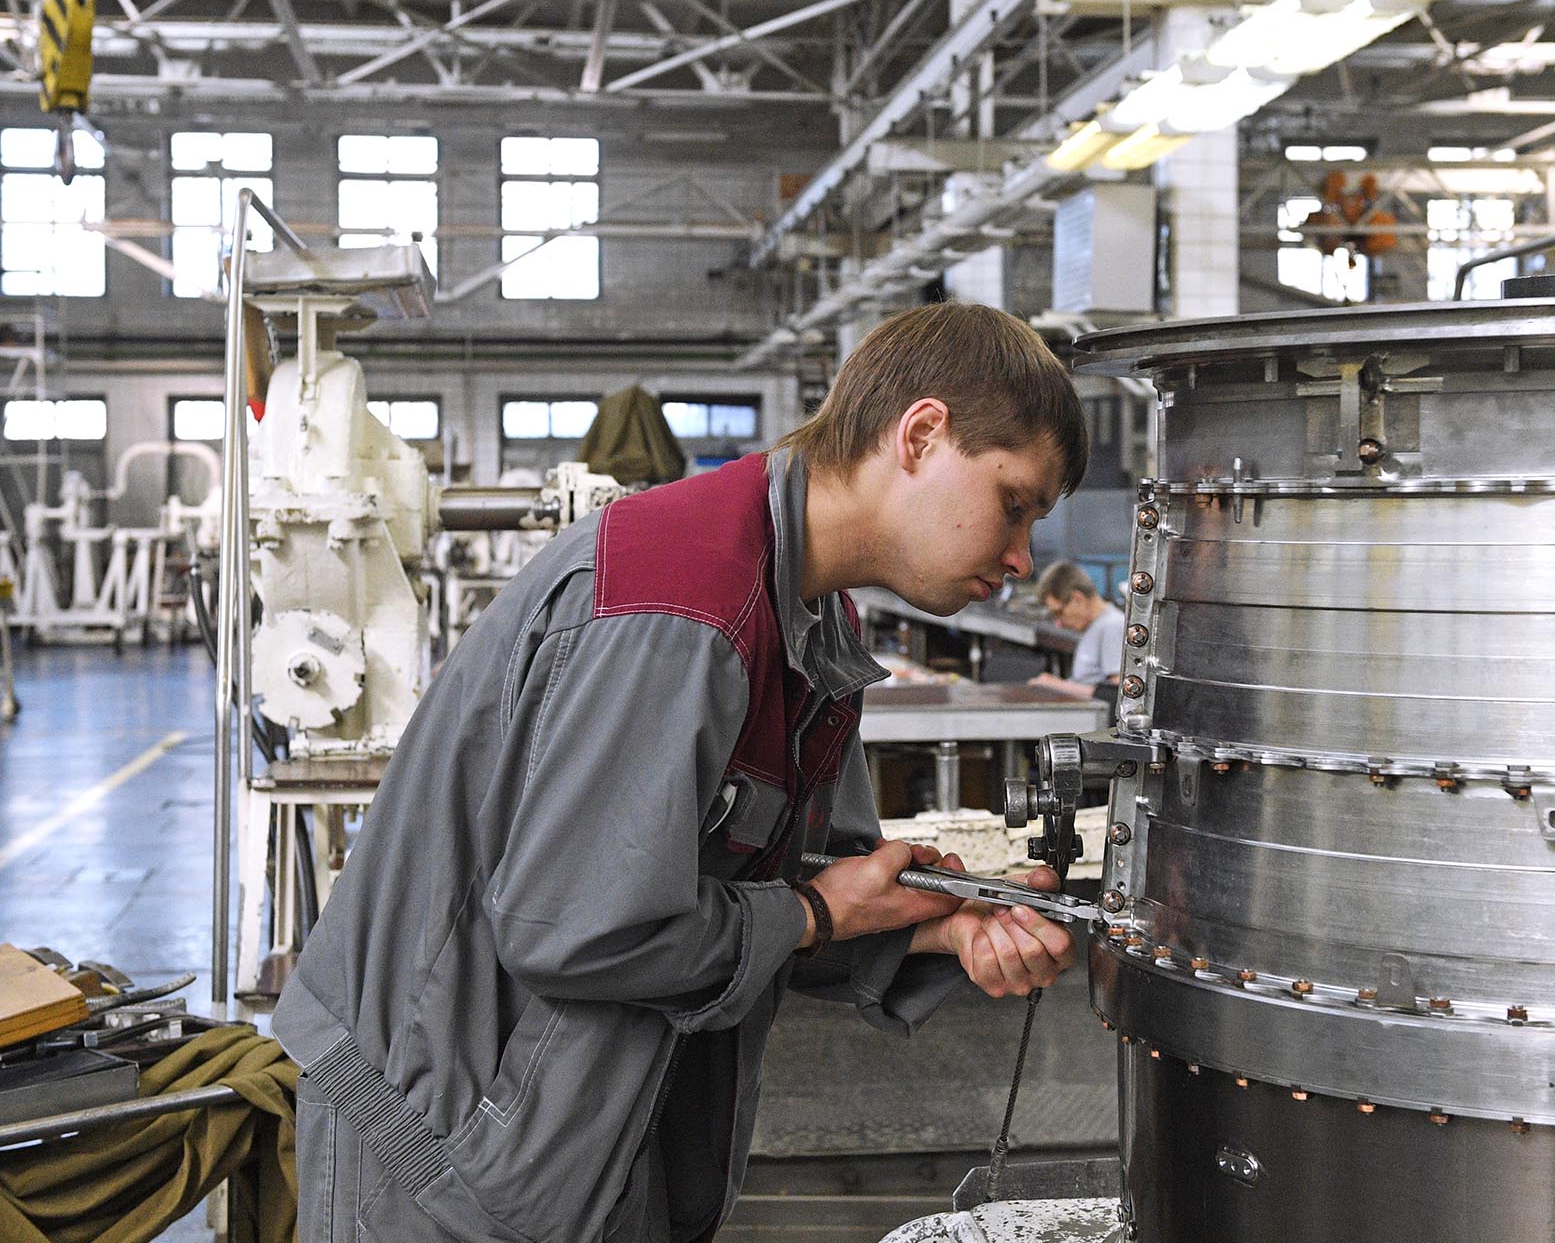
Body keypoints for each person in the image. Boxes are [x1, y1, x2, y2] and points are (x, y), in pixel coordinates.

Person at [273, 302, 1090, 1243]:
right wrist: (822, 914)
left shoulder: (816, 626)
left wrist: (923, 931)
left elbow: (781, 898)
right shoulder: (685, 602)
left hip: (578, 1124)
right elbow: (573, 929)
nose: (1023, 556)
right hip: (430, 1137)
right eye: (1014, 502)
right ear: (921, 434)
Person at [1031, 560, 1124, 698]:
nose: (1058, 623)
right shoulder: (1094, 626)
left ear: (1077, 598)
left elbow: (1117, 695)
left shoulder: (1112, 625)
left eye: (1060, 612)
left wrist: (1055, 685)